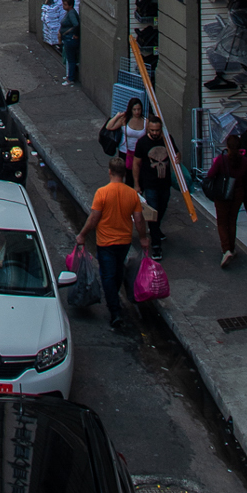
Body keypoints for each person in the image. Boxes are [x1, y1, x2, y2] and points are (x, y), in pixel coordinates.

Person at [75, 156, 151, 330]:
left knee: (108, 276)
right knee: (116, 272)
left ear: (109, 172)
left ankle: (115, 311)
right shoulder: (132, 194)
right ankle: (114, 300)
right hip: (124, 241)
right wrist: (143, 238)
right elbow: (139, 219)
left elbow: (94, 218)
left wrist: (83, 234)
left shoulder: (102, 193)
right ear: (124, 174)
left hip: (105, 242)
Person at [132, 113, 178, 256]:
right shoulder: (142, 143)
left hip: (164, 183)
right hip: (150, 184)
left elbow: (176, 154)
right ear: (148, 129)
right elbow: (136, 163)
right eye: (152, 130)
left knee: (162, 208)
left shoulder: (167, 140)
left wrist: (177, 158)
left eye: (157, 130)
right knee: (153, 213)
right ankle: (156, 245)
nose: (155, 133)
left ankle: (155, 230)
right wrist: (137, 184)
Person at [207, 121, 247, 268]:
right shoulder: (244, 161)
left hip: (222, 194)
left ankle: (226, 249)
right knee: (232, 221)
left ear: (227, 146)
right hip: (238, 193)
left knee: (222, 222)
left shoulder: (222, 160)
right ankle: (232, 248)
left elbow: (210, 174)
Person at [59, 0, 81, 87]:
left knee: (71, 59)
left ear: (70, 5)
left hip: (70, 39)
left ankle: (70, 78)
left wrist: (74, 34)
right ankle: (69, 76)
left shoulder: (71, 13)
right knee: (69, 58)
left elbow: (76, 24)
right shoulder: (69, 12)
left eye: (65, 4)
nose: (63, 6)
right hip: (68, 38)